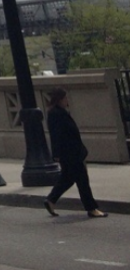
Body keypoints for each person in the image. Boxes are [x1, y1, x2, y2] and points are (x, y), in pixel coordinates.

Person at [44, 87, 106, 218]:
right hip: (70, 153)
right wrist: (57, 154)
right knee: (82, 180)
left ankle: (51, 200)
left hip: (71, 152)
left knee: (67, 179)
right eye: (65, 98)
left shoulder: (59, 112)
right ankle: (91, 208)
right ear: (59, 99)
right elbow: (56, 135)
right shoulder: (56, 113)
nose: (67, 100)